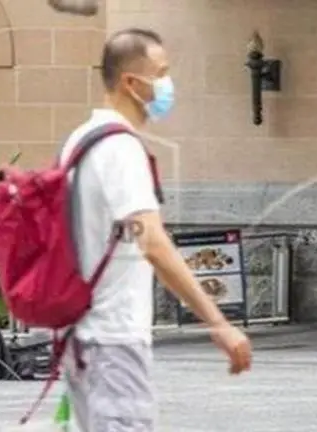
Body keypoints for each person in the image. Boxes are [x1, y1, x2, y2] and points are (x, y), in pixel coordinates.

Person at [57, 28, 252, 431]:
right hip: (113, 338)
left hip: (81, 334)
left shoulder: (80, 139)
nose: (167, 84)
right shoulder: (120, 148)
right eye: (161, 73)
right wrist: (217, 321)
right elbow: (153, 242)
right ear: (131, 82)